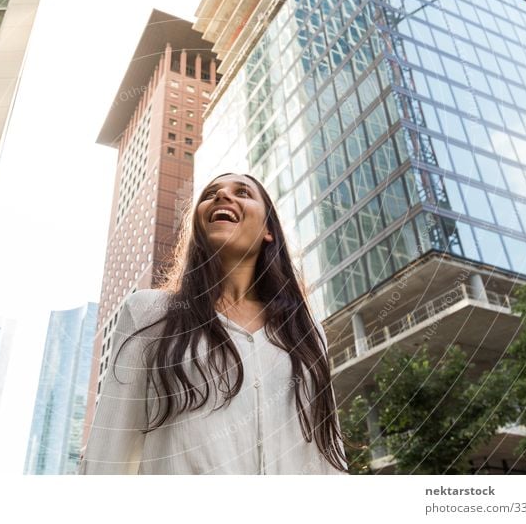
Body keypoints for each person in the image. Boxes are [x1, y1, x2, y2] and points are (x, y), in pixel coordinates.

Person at [77, 172, 348, 475]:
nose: (222, 196)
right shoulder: (150, 312)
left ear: (268, 230)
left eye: (242, 192)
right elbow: (109, 450)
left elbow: (327, 452)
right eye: (210, 194)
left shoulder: (306, 332)